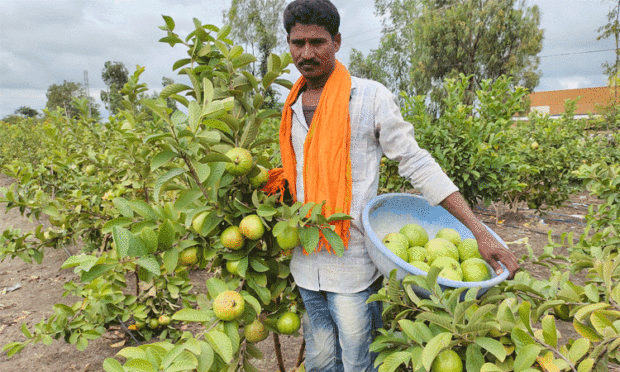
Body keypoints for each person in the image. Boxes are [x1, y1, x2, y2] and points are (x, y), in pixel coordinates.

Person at [268, 0, 520, 370]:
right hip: (304, 261)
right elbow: (298, 178)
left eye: (317, 42)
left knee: (358, 360)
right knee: (320, 360)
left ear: (336, 42)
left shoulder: (370, 98)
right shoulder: (289, 106)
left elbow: (417, 163)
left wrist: (479, 231)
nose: (306, 53)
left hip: (352, 262)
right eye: (297, 42)